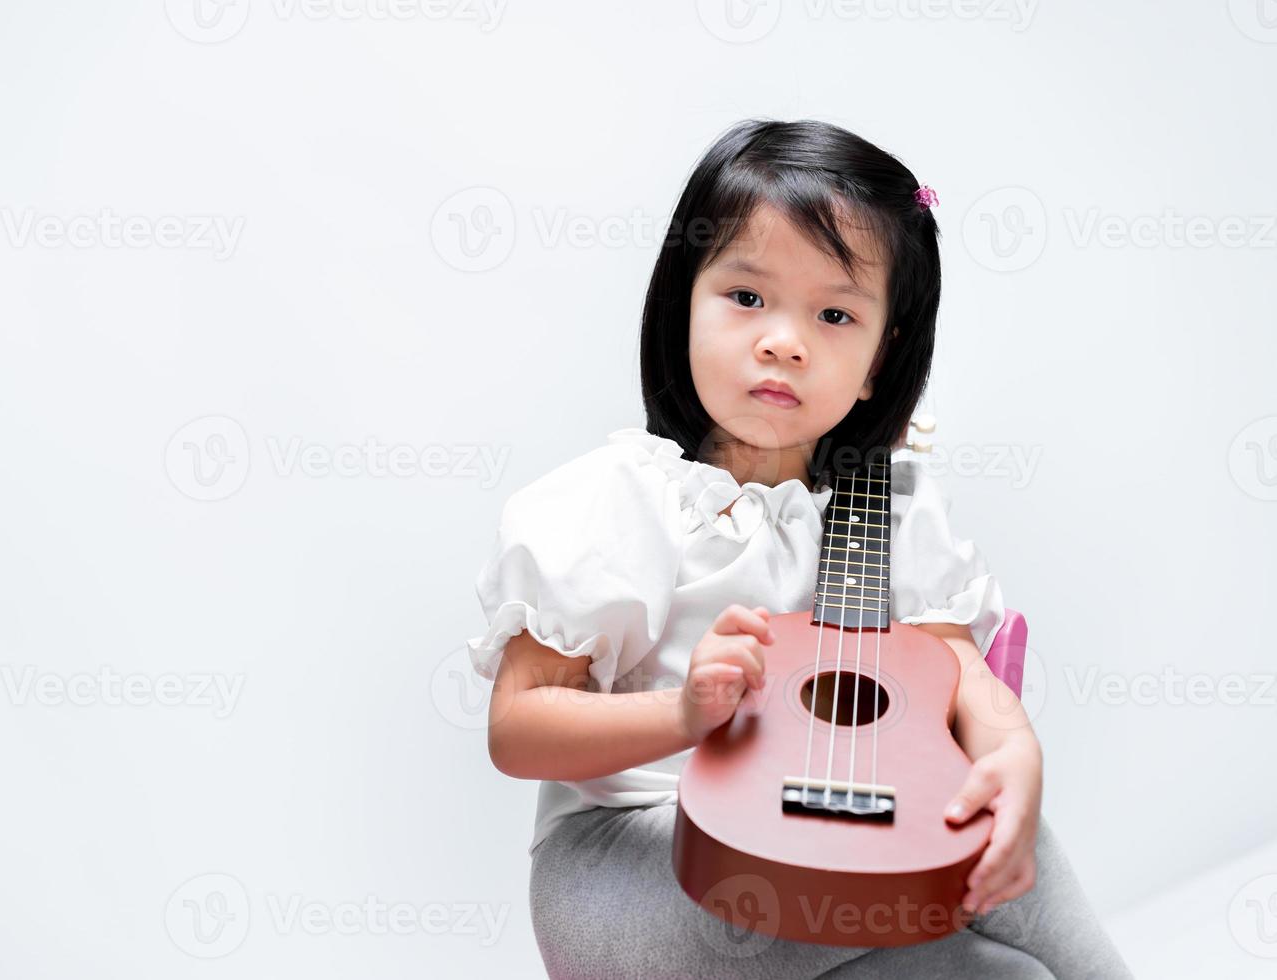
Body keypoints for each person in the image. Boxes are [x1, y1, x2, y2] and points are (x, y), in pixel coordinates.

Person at [466, 118, 1133, 978]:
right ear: (684, 305)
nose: (785, 339)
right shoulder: (617, 502)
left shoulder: (883, 507)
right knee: (972, 870)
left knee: (1007, 965)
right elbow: (517, 730)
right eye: (747, 298)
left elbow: (961, 674)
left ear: (877, 361)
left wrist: (1014, 758)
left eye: (834, 312)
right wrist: (681, 716)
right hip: (641, 878)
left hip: (822, 862)